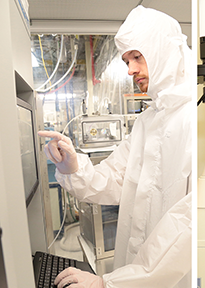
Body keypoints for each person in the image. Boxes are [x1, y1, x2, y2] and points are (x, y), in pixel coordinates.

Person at [38, 5, 193, 288]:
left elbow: (188, 226)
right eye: (126, 61)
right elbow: (116, 178)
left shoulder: (194, 117)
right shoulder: (149, 120)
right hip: (133, 273)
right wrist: (73, 168)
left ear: (163, 50)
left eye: (137, 56)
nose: (131, 69)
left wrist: (110, 283)